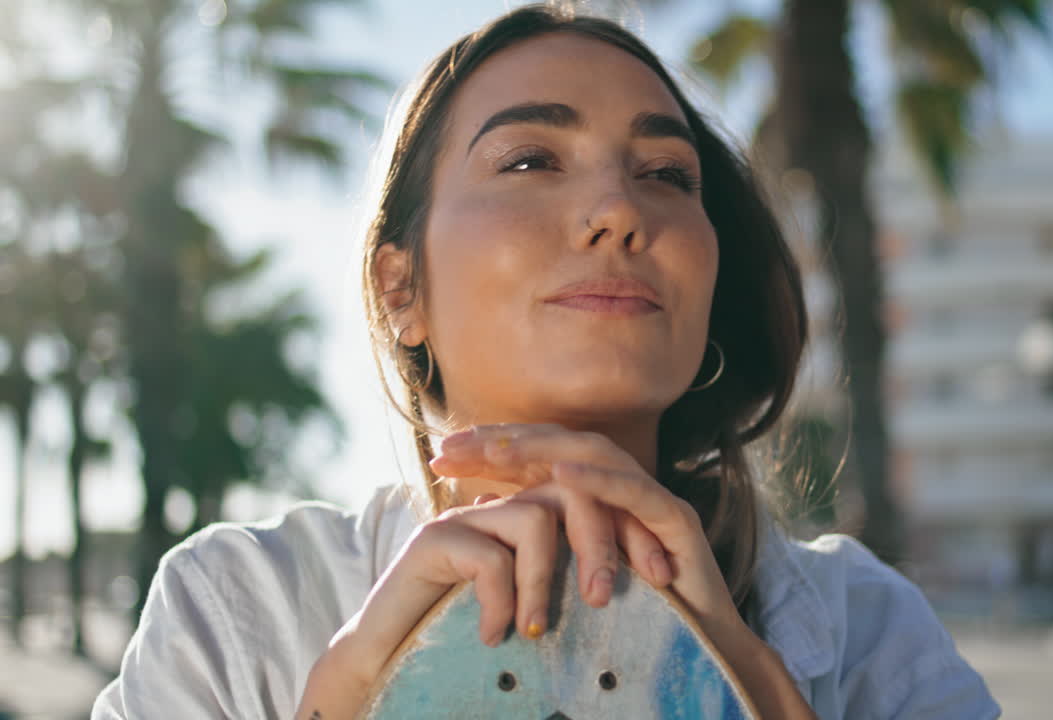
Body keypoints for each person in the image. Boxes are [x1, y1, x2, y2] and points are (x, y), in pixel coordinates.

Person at [93, 5, 1000, 719]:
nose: (617, 210)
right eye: (530, 161)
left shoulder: (869, 633)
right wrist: (352, 689)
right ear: (397, 288)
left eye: (666, 174)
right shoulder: (237, 609)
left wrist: (740, 677)